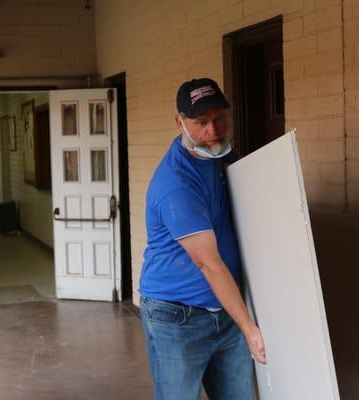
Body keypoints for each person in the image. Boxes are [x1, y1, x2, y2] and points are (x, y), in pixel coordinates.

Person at [139, 77, 266, 400]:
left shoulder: (221, 156)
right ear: (179, 122)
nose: (213, 131)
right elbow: (208, 264)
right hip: (176, 316)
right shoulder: (177, 184)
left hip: (224, 309)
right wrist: (250, 329)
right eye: (201, 123)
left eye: (219, 119)